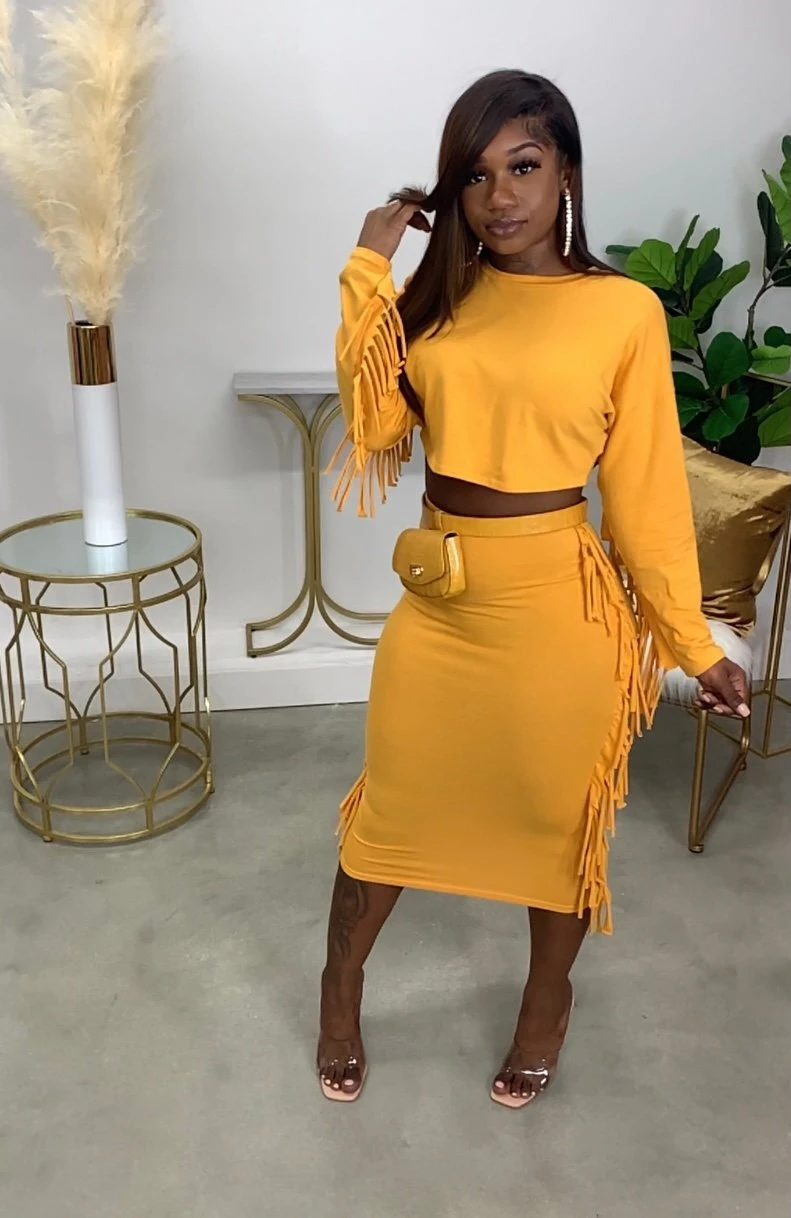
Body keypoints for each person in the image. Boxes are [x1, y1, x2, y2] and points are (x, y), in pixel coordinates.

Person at [317, 70, 750, 1108]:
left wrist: (691, 643)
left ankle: (544, 1003)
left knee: (558, 825)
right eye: (474, 177)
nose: (498, 196)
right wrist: (370, 267)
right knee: (388, 814)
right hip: (442, 607)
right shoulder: (442, 300)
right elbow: (374, 426)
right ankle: (339, 990)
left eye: (522, 167)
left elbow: (644, 494)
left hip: (560, 611)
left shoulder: (621, 310)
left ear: (566, 174)